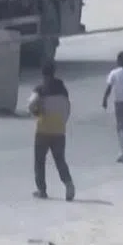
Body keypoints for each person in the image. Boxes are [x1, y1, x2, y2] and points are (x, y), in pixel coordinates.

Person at [28, 63, 75, 201]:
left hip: (43, 129)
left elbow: (31, 104)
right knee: (60, 160)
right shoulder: (63, 90)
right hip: (59, 131)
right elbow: (67, 108)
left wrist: (36, 112)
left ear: (43, 74)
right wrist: (62, 122)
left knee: (39, 161)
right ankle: (68, 184)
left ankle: (42, 190)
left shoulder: (40, 89)